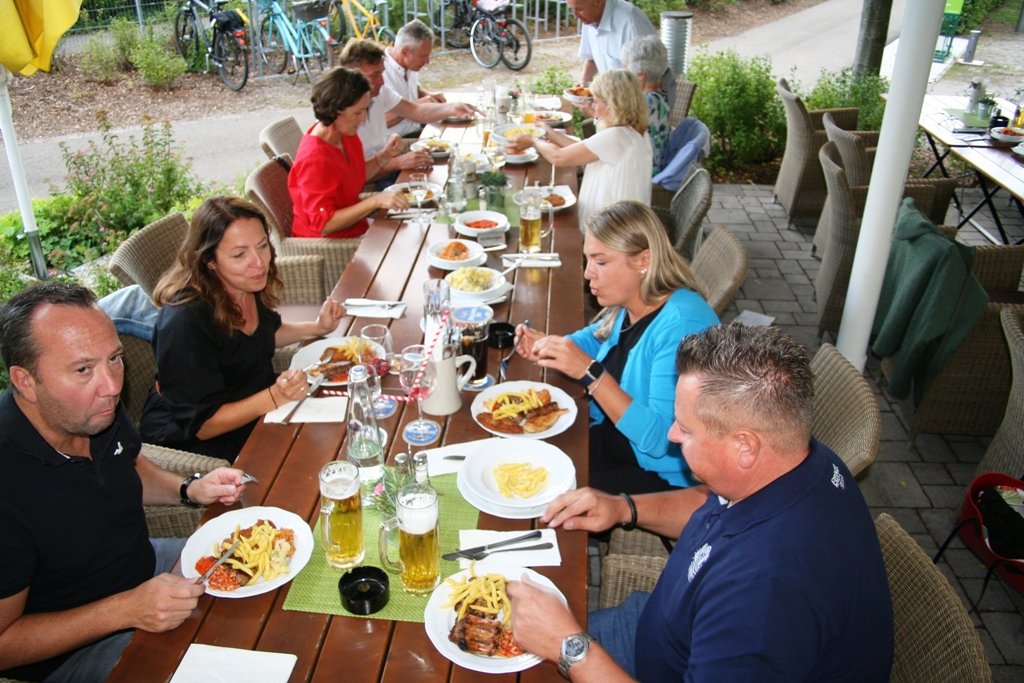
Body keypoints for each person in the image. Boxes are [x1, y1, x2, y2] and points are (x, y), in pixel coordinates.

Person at [507, 323, 895, 681]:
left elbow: (752, 602)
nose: (672, 435)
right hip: (666, 631)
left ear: (745, 446)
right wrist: (623, 508)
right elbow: (713, 506)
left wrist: (570, 647)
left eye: (686, 429)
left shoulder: (764, 596)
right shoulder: (796, 457)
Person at [0, 282, 248, 682]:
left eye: (114, 358)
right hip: (76, 651)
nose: (113, 387)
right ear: (25, 381)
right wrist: (126, 609)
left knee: (268, 578)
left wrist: (188, 489)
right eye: (83, 369)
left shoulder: (91, 410)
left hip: (146, 567)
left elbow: (127, 465)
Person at [514, 201, 718, 493]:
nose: (588, 273)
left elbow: (661, 440)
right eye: (588, 260)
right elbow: (596, 338)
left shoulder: (682, 327)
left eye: (601, 262)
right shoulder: (635, 298)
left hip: (659, 476)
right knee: (524, 449)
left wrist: (590, 373)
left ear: (643, 260)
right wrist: (551, 346)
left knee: (541, 487)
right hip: (614, 438)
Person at [139, 196, 345, 462]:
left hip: (258, 406)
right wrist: (275, 396)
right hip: (198, 443)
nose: (259, 262)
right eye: (239, 255)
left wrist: (318, 327)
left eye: (262, 246)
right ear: (209, 260)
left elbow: (262, 335)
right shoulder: (184, 323)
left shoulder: (242, 284)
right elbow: (203, 425)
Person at [509, 70, 653, 230]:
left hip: (610, 230)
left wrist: (533, 140)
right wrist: (548, 132)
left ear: (612, 105)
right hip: (628, 223)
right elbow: (584, 148)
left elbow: (558, 157)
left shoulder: (616, 137)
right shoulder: (635, 132)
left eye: (596, 102)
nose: (593, 107)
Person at [289, 67, 409, 239]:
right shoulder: (315, 158)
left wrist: (385, 155)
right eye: (357, 113)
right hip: (328, 243)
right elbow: (324, 224)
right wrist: (375, 201)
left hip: (356, 228)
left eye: (365, 110)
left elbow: (355, 175)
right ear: (334, 112)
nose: (363, 119)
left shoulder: (344, 134)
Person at [338, 40, 477, 185]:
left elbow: (415, 111)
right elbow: (353, 176)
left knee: (455, 167)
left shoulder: (379, 92)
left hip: (388, 164)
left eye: (382, 73)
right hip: (372, 183)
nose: (382, 81)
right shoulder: (343, 117)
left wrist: (451, 108)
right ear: (353, 77)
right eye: (375, 75)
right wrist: (397, 163)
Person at [566, 0, 658, 87]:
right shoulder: (589, 19)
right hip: (615, 92)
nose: (575, 16)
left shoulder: (631, 23)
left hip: (639, 93)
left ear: (598, 1)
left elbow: (645, 78)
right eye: (571, 9)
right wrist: (584, 84)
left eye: (579, 9)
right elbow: (591, 58)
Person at [384, 19, 446, 138]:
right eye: (423, 56)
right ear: (405, 52)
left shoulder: (409, 64)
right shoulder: (379, 73)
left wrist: (427, 95)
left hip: (416, 131)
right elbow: (380, 121)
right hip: (394, 141)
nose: (427, 61)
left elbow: (412, 89)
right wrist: (416, 107)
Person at [622, 34, 670, 172]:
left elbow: (618, 138)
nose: (623, 71)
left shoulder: (644, 104)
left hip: (641, 172)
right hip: (654, 165)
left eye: (625, 66)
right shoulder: (660, 97)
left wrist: (595, 115)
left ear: (641, 74)